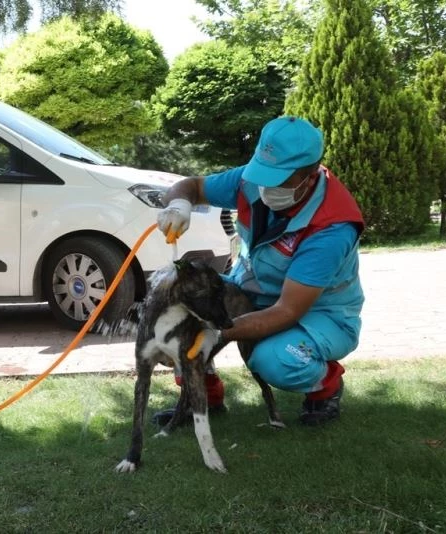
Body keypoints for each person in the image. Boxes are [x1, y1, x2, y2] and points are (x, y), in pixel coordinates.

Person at [155, 115, 365, 426]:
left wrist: (213, 333)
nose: (264, 186)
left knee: (276, 360)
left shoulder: (331, 228)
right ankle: (202, 398)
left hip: (317, 314)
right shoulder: (254, 178)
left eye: (278, 179)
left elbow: (286, 311)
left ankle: (326, 386)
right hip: (252, 290)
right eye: (263, 174)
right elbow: (192, 186)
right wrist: (179, 205)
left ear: (308, 176)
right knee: (177, 305)